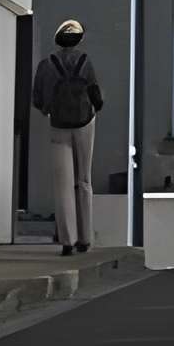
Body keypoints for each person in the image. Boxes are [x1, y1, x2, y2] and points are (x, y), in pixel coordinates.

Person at [32, 17, 104, 253]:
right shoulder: (86, 61)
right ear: (79, 39)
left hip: (59, 125)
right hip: (84, 123)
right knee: (83, 180)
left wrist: (50, 108)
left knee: (62, 183)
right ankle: (85, 238)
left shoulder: (46, 64)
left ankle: (67, 241)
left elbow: (38, 99)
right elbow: (96, 95)